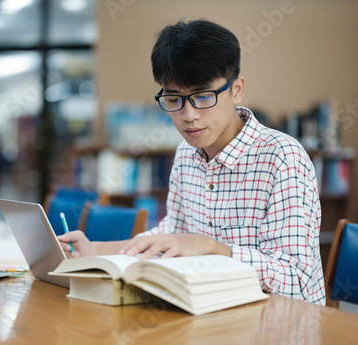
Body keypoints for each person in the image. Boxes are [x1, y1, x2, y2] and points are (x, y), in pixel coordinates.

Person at [58, 19, 325, 305]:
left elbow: (295, 280)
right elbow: (170, 235)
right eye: (174, 99)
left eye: (202, 96)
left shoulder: (283, 157)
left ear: (236, 89)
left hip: (282, 324)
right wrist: (95, 249)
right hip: (211, 311)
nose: (188, 116)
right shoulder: (186, 153)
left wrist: (211, 248)